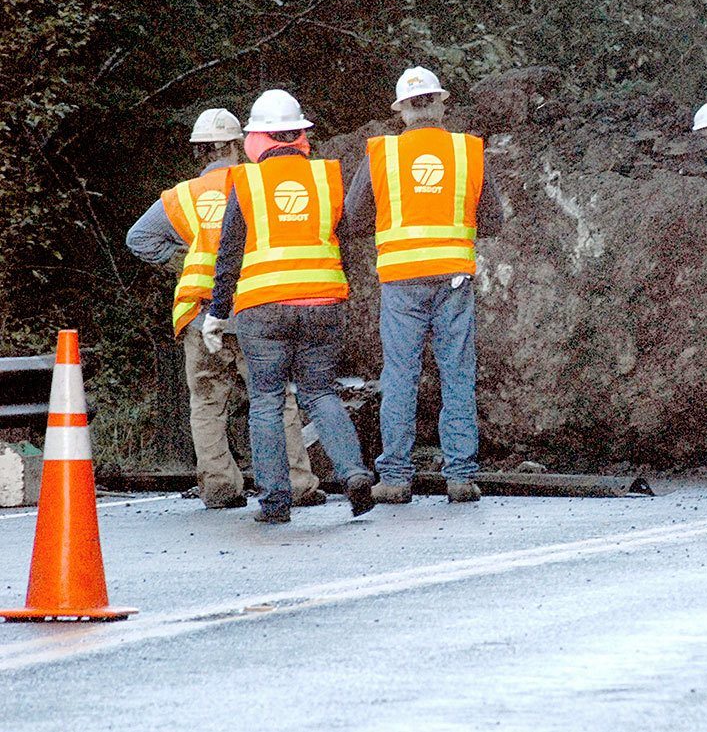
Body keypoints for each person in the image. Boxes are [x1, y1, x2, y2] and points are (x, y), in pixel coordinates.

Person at [126, 108, 326, 510]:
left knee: (206, 404)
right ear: (239, 144)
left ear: (200, 151)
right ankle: (298, 484)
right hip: (252, 308)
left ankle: (219, 488)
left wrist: (187, 259)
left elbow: (139, 238)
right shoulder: (257, 184)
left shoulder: (183, 195)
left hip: (200, 314)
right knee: (274, 399)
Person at [203, 89, 375, 524]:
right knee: (321, 393)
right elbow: (345, 240)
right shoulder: (326, 178)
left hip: (262, 308)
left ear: (256, 139)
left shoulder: (247, 182)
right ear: (300, 134)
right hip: (322, 302)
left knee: (266, 400)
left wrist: (217, 313)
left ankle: (276, 503)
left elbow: (229, 255)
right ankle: (354, 472)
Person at [343, 66, 503, 504]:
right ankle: (461, 477)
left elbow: (353, 219)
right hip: (453, 276)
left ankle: (394, 478)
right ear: (439, 103)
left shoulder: (383, 155)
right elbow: (493, 219)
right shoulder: (467, 151)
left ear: (403, 111)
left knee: (400, 375)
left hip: (401, 280)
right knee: (457, 373)